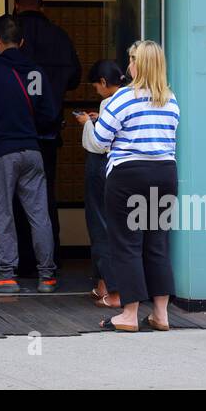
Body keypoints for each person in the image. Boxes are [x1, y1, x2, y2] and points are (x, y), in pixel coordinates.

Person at [0, 0, 81, 271]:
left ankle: (10, 267)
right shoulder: (60, 37)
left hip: (5, 138)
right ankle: (46, 267)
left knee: (4, 206)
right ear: (42, 6)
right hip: (43, 138)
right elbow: (74, 78)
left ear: (15, 5)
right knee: (42, 206)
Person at [82, 40, 179, 332]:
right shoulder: (170, 100)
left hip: (128, 175)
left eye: (132, 60)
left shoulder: (122, 99)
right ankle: (161, 314)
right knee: (158, 244)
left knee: (127, 244)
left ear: (140, 65)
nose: (128, 66)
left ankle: (129, 314)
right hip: (165, 173)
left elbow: (99, 142)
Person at [0, 14, 58, 293]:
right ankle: (47, 276)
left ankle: (6, 273)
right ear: (21, 42)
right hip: (33, 151)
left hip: (1, 153)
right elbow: (49, 115)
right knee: (39, 214)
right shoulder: (36, 73)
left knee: (1, 213)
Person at [78, 60, 125, 308]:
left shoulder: (110, 102)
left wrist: (87, 123)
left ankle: (112, 289)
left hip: (102, 166)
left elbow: (98, 143)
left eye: (96, 85)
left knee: (100, 225)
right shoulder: (131, 97)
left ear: (105, 83)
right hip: (124, 171)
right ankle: (104, 285)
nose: (96, 90)